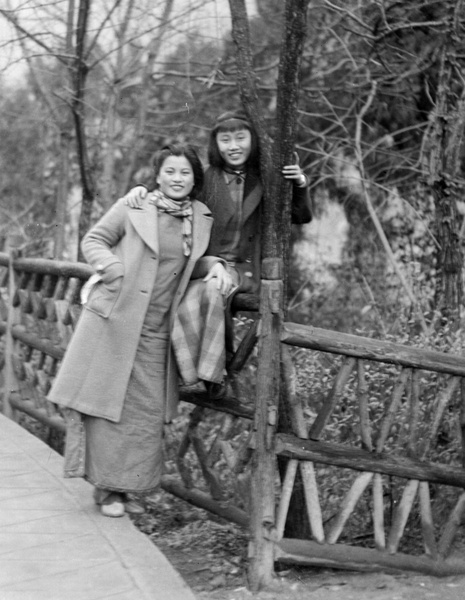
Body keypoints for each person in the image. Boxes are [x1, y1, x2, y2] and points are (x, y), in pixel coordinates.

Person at [48, 143, 229, 517]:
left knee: (144, 413)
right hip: (115, 317)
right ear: (158, 175)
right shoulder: (134, 205)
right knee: (103, 403)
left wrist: (216, 265)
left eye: (185, 173)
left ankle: (126, 487)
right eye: (170, 172)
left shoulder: (200, 216)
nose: (177, 179)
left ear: (195, 179)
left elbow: (188, 264)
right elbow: (93, 240)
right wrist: (114, 269)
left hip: (159, 329)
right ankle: (108, 490)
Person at [124, 110, 312, 393]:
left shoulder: (266, 178)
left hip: (246, 269)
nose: (233, 146)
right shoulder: (206, 178)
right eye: (225, 140)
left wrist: (299, 184)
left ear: (253, 140)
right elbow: (174, 191)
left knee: (214, 291)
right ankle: (193, 372)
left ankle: (216, 373)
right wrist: (141, 190)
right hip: (206, 267)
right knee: (191, 298)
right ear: (216, 144)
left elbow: (299, 215)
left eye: (240, 138)